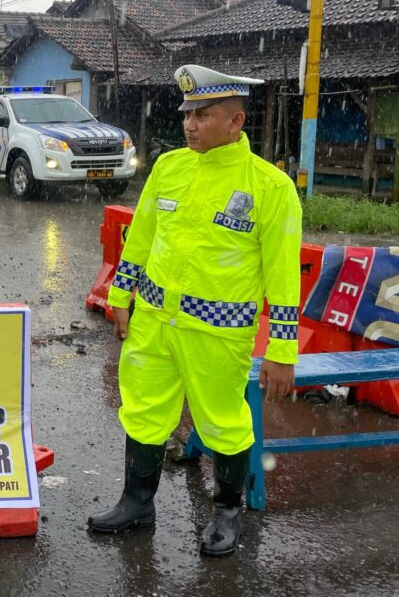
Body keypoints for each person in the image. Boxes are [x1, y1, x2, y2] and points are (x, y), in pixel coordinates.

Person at [87, 64, 302, 557]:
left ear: (235, 121)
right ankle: (137, 503)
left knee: (223, 422)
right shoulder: (169, 168)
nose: (189, 124)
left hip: (218, 333)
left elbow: (283, 278)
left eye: (202, 115)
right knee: (142, 411)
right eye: (187, 114)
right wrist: (121, 297)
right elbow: (138, 240)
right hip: (156, 325)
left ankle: (227, 511)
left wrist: (282, 351)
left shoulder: (269, 189)